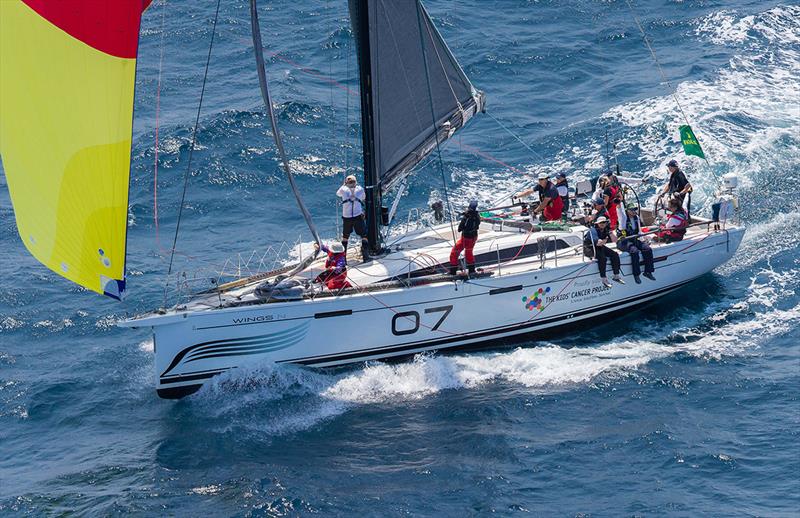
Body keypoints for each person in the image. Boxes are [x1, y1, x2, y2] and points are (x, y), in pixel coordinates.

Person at [618, 204, 655, 284]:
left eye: (635, 209)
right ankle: (636, 274)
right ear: (627, 211)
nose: (634, 211)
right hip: (624, 241)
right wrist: (619, 204)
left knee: (647, 249)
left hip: (634, 239)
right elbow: (620, 212)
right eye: (632, 209)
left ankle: (648, 272)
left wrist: (644, 239)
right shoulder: (623, 218)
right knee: (634, 251)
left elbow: (639, 231)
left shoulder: (636, 218)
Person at [336, 175, 370, 261]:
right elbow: (363, 198)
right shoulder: (360, 189)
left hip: (347, 217)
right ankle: (366, 257)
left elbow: (338, 194)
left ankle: (343, 259)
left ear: (347, 183)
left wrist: (344, 185)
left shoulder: (343, 189)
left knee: (345, 237)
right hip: (357, 216)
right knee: (364, 236)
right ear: (355, 182)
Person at [583, 216, 623, 287]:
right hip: (589, 248)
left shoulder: (606, 230)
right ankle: (604, 279)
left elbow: (615, 240)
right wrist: (605, 240)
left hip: (599, 246)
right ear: (597, 223)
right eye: (600, 223)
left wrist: (610, 233)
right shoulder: (593, 230)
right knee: (602, 258)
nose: (602, 224)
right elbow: (598, 243)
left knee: (614, 254)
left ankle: (616, 275)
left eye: (604, 222)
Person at [449, 200, 481, 275]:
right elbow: (477, 223)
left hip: (466, 238)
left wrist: (465, 217)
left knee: (454, 253)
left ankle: (453, 271)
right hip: (474, 237)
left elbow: (460, 229)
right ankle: (471, 270)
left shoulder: (466, 217)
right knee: (468, 253)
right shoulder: (477, 216)